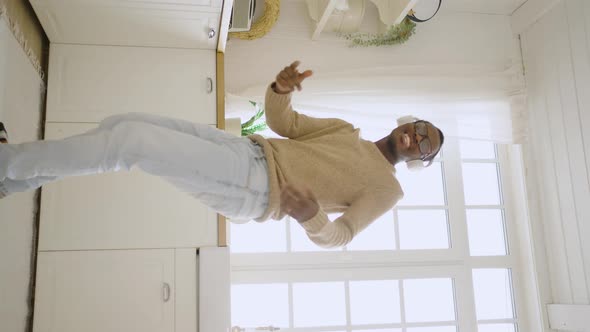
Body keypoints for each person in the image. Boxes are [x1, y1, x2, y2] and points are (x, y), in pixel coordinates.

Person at [0, 61, 444, 248]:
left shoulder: (387, 189)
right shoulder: (350, 133)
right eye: (419, 128)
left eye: (425, 144)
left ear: (421, 160)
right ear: (408, 122)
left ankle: (7, 164)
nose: (416, 137)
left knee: (130, 143)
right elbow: (284, 124)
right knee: (123, 124)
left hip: (255, 186)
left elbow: (341, 236)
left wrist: (311, 216)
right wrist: (280, 89)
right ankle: (13, 178)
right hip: (245, 151)